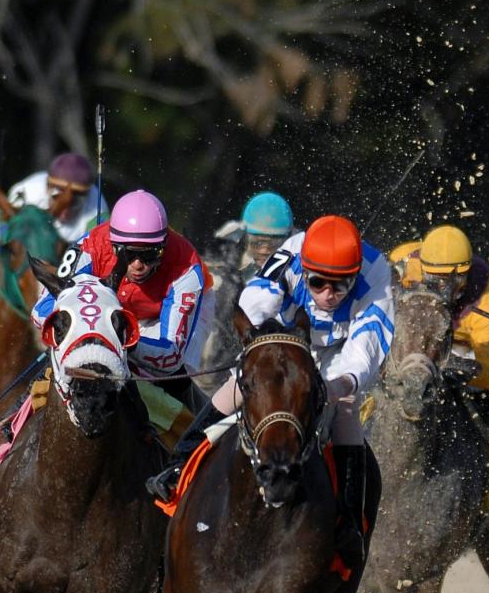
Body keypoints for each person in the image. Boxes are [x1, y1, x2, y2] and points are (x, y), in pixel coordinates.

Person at [147, 214, 393, 571]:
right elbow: (256, 301)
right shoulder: (292, 253)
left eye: (341, 286)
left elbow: (366, 344)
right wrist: (263, 347)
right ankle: (177, 466)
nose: (328, 294)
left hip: (340, 353)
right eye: (319, 282)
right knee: (236, 386)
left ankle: (351, 523)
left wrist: (340, 383)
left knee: (345, 409)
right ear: (305, 269)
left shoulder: (376, 275)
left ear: (356, 276)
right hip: (284, 338)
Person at [31, 189, 211, 393]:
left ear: (163, 246)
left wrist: (120, 337)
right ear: (113, 245)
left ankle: (199, 421)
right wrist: (81, 328)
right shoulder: (90, 246)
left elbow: (170, 357)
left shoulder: (186, 269)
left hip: (164, 318)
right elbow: (41, 310)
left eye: (150, 255)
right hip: (114, 317)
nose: (137, 265)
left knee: (168, 377)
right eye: (129, 253)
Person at [391, 225, 489, 487]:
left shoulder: (486, 293)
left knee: (484, 394)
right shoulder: (404, 261)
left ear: (465, 275)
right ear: (422, 265)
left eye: (451, 280)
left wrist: (454, 371)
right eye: (433, 277)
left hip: (471, 345)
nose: (441, 287)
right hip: (429, 337)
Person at [0, 152, 108, 275]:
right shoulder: (26, 196)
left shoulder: (97, 215)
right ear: (47, 187)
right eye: (56, 196)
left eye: (76, 203)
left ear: (88, 197)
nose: (65, 211)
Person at [211, 191, 296, 281]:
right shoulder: (225, 268)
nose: (264, 251)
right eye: (257, 243)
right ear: (244, 239)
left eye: (274, 244)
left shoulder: (298, 272)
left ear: (288, 241)